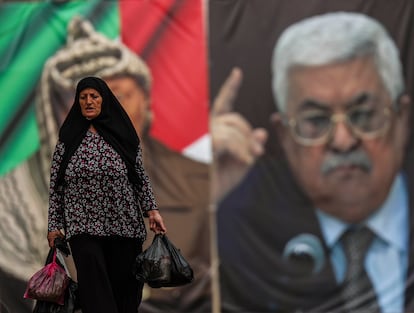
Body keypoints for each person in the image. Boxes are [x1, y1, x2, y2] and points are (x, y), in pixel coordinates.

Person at [216, 12, 414, 312]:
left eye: (363, 115)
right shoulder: (239, 238)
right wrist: (203, 195)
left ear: (401, 120)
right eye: (316, 121)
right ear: (284, 136)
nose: (343, 141)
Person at [47, 76, 167, 313]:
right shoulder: (68, 138)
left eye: (94, 96)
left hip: (124, 224)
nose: (88, 101)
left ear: (105, 100)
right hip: (83, 225)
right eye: (83, 97)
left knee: (126, 290)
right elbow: (56, 186)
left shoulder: (124, 136)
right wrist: (54, 225)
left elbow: (139, 176)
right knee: (94, 289)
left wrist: (152, 210)